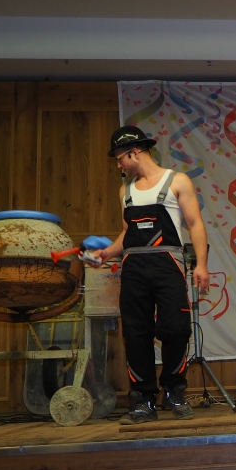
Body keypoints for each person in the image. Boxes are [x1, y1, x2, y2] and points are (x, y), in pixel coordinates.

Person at [94, 126, 210, 424]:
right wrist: (107, 253)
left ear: (134, 153)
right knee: (136, 334)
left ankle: (174, 390)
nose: (118, 165)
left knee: (177, 329)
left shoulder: (177, 181)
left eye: (120, 159)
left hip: (168, 264)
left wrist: (201, 265)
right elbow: (127, 233)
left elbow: (195, 224)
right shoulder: (126, 191)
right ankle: (143, 399)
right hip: (134, 266)